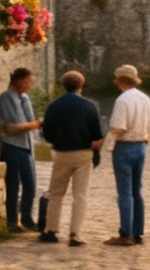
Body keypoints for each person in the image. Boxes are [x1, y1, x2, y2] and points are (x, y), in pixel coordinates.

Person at [38, 70, 104, 246]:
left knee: (56, 193)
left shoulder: (54, 106)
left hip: (62, 153)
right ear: (81, 85)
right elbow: (97, 134)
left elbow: (47, 133)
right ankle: (75, 234)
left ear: (63, 85)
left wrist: (56, 141)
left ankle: (51, 230)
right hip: (83, 153)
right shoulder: (90, 106)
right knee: (80, 195)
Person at [104, 64, 150, 246]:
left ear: (120, 80)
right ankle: (137, 230)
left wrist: (108, 141)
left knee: (125, 191)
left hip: (125, 146)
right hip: (141, 145)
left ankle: (126, 232)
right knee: (136, 190)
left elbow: (119, 126)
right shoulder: (145, 99)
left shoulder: (123, 100)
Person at [0, 67, 42, 234]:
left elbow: (29, 121)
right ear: (18, 80)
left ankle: (26, 218)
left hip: (25, 146)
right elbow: (6, 128)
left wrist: (32, 125)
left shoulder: (25, 98)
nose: (30, 83)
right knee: (13, 185)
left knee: (30, 184)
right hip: (10, 146)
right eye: (28, 80)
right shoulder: (6, 99)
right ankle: (12, 221)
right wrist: (32, 125)